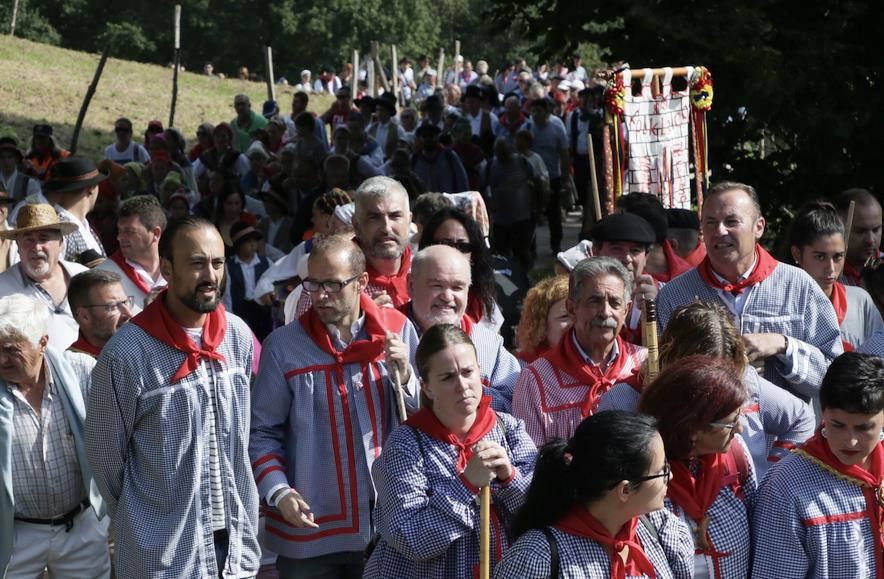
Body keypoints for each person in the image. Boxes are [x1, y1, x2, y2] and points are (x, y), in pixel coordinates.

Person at [86, 216, 261, 578]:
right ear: (167, 268)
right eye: (196, 264)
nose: (210, 276)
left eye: (217, 263)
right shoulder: (126, 354)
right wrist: (147, 518)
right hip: (164, 553)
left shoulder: (239, 337)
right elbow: (106, 461)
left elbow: (245, 436)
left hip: (234, 544)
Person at [249, 235, 419, 578]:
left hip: (387, 525)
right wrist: (278, 491)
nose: (320, 295)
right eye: (312, 284)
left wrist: (406, 379)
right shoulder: (282, 347)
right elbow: (262, 432)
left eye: (333, 284)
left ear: (362, 282)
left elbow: (426, 420)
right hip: (309, 531)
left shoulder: (396, 332)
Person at [364, 324, 537, 578]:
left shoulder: (508, 428)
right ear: (427, 388)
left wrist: (510, 479)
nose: (463, 385)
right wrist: (466, 485)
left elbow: (540, 512)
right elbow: (411, 539)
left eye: (468, 372)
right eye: (448, 377)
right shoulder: (405, 445)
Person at [656, 181, 843, 405]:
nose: (720, 231)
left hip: (784, 438)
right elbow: (659, 380)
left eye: (731, 221)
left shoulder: (800, 287)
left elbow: (836, 378)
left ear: (759, 227)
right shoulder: (675, 295)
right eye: (711, 223)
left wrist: (783, 345)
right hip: (704, 435)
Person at [600, 301, 815, 480]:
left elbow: (801, 419)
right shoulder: (624, 400)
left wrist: (773, 481)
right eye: (705, 380)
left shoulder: (746, 379)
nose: (719, 388)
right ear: (676, 361)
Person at [494, 410, 694, 579]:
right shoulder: (536, 557)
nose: (671, 476)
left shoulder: (660, 529)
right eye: (662, 471)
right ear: (625, 490)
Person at [0, 294, 111, 578]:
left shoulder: (82, 373)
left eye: (12, 349)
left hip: (81, 528)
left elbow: (118, 438)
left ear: (43, 343)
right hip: (15, 535)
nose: (2, 359)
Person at [751, 352, 884, 579]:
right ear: (823, 412)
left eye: (863, 428)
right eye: (838, 425)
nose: (850, 440)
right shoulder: (786, 486)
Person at [638, 356, 757, 579]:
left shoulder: (736, 457)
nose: (740, 429)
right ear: (692, 429)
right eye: (730, 423)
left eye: (739, 417)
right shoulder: (644, 476)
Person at [513, 257, 647, 446]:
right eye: (595, 301)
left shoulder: (644, 364)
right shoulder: (536, 380)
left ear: (626, 310)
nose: (605, 312)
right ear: (571, 308)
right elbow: (528, 463)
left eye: (615, 303)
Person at [402, 245, 522, 412]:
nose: (447, 296)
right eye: (437, 285)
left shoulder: (487, 344)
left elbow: (515, 404)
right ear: (411, 285)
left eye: (457, 287)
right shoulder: (384, 334)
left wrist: (467, 393)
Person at [790, 200, 883, 350]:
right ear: (797, 254)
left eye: (838, 256)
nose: (831, 268)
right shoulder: (782, 303)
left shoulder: (861, 302)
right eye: (820, 257)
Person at [0, 204, 87, 350]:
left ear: (60, 243)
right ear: (18, 246)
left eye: (43, 238)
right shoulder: (3, 288)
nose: (36, 247)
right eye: (28, 240)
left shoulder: (84, 277)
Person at [419, 207, 503, 330]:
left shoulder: (486, 306)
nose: (454, 252)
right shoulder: (412, 299)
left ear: (473, 255)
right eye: (444, 244)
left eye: (462, 246)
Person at [590, 212, 660, 346]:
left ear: (646, 257)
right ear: (596, 252)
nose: (627, 258)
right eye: (617, 249)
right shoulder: (579, 294)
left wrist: (654, 311)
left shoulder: (664, 295)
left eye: (635, 251)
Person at [96, 195, 166, 312]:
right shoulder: (102, 276)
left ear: (155, 233)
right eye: (119, 231)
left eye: (129, 231)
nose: (119, 237)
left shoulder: (179, 272)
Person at [528, 97, 570, 254]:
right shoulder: (528, 126)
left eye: (539, 111)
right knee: (532, 213)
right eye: (533, 111)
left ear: (546, 112)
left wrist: (565, 176)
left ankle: (556, 244)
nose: (536, 114)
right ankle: (530, 248)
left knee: (553, 213)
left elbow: (564, 152)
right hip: (533, 178)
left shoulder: (557, 125)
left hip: (553, 175)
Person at [67, 269, 133, 357]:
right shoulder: (71, 366)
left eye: (125, 302)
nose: (128, 314)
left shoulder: (140, 348)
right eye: (113, 306)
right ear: (84, 315)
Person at [224, 221, 272, 341]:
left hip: (262, 312)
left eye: (254, 241)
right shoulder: (229, 266)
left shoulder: (265, 262)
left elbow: (274, 282)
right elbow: (227, 296)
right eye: (248, 241)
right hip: (242, 310)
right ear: (239, 245)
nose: (253, 244)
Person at [514, 274, 572, 365]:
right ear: (541, 325)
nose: (576, 323)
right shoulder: (523, 368)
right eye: (565, 316)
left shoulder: (597, 359)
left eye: (579, 315)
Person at [835, 188, 882, 286]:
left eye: (876, 230)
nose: (870, 240)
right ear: (839, 228)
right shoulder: (826, 274)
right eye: (860, 231)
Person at [411, 123, 469, 193]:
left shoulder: (449, 156)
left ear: (437, 137)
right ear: (420, 138)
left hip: (448, 202)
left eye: (431, 136)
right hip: (423, 202)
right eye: (424, 136)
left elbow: (462, 181)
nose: (428, 139)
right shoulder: (415, 159)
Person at [0, 135, 41, 201]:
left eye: (10, 157)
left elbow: (34, 207)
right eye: (2, 157)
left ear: (16, 159)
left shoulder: (29, 184)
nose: (6, 161)